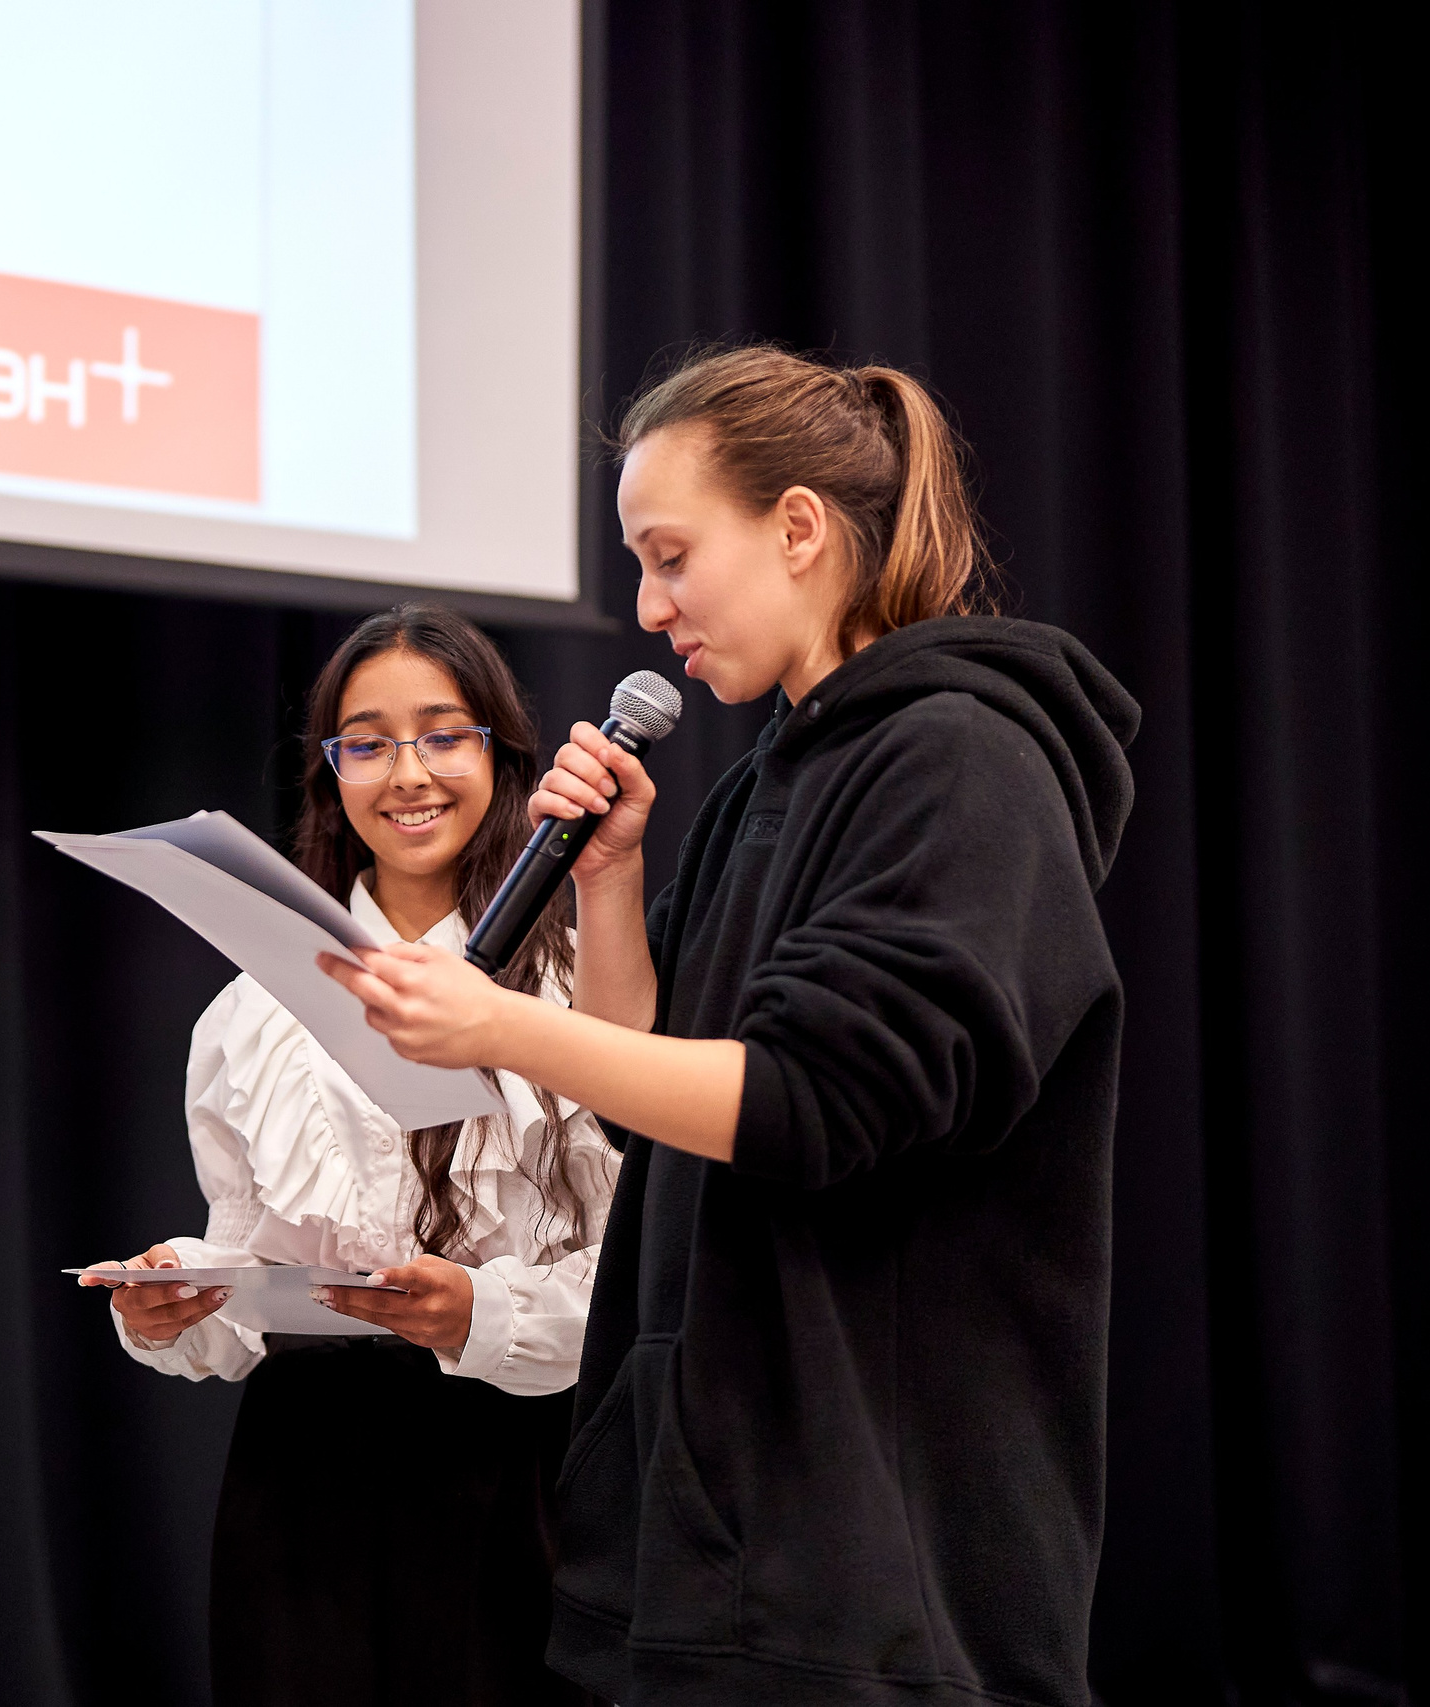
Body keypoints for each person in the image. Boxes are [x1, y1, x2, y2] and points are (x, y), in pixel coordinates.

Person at [320, 346, 1138, 1707]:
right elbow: (658, 1076)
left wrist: (501, 1027)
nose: (650, 608)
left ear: (798, 527)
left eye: (671, 557)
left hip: (862, 1568)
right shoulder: (777, 775)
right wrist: (612, 882)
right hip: (712, 1533)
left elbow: (808, 1099)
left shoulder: (957, 760)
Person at [84, 605, 621, 1707]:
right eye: (368, 743)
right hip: (300, 1480)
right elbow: (249, 1263)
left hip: (512, 1467)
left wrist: (477, 1311)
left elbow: (628, 1274)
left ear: (500, 754)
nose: (408, 773)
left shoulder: (575, 988)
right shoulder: (251, 1010)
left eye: (444, 734)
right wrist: (179, 1296)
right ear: (331, 773)